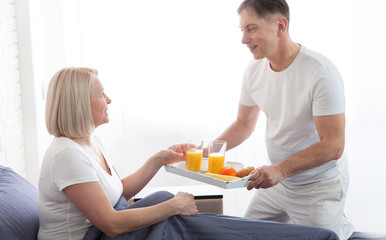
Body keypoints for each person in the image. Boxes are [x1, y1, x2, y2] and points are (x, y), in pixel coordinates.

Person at [38, 67, 339, 240]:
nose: (109, 99)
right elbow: (112, 224)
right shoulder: (67, 155)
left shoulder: (88, 141)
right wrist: (173, 207)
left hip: (108, 231)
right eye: (100, 94)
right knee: (181, 217)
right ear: (79, 103)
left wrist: (158, 159)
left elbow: (120, 191)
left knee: (186, 218)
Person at [214, 0, 354, 239]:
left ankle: (339, 223)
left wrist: (280, 169)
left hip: (317, 186)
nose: (243, 39)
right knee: (245, 235)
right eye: (242, 30)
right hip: (278, 184)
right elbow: (243, 124)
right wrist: (208, 152)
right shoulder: (253, 70)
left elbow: (334, 144)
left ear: (280, 26)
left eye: (251, 28)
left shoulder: (321, 72)